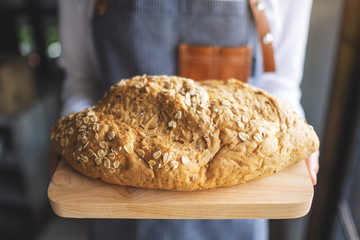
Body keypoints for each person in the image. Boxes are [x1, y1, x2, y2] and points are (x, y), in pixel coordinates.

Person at [55, 0, 319, 239]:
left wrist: (297, 132)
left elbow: (279, 83)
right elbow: (80, 79)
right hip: (119, 210)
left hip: (237, 212)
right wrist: (73, 131)